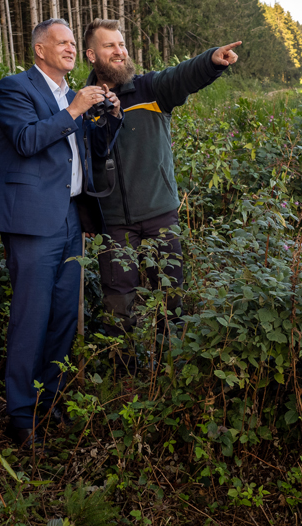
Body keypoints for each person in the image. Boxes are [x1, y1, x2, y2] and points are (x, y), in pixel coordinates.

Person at [0, 17, 122, 446]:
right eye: (60, 42)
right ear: (40, 51)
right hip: (31, 222)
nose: (69, 48)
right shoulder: (15, 88)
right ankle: (21, 416)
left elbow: (91, 153)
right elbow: (27, 141)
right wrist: (76, 110)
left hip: (71, 217)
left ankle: (50, 402)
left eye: (72, 43)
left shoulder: (73, 95)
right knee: (32, 318)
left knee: (65, 316)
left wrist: (107, 121)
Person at [79, 18, 240, 342]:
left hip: (158, 216)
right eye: (109, 45)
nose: (119, 51)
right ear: (91, 55)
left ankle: (173, 372)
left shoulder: (151, 89)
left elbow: (182, 75)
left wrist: (211, 61)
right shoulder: (81, 104)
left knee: (172, 301)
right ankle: (122, 378)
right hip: (113, 222)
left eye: (121, 44)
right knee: (118, 306)